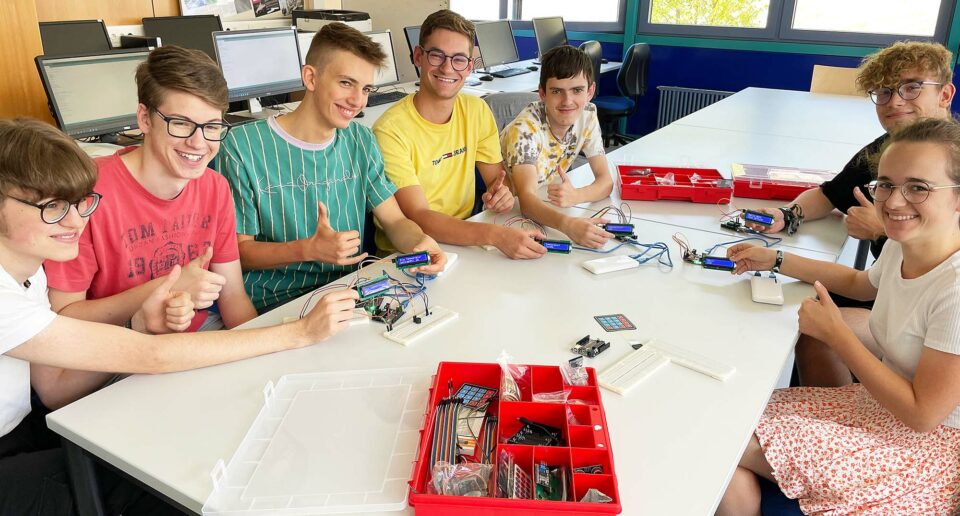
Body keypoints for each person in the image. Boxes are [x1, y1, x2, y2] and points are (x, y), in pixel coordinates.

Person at [0, 117, 358, 514]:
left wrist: (139, 325)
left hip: (24, 430)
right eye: (51, 207)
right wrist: (299, 333)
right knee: (155, 483)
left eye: (79, 203)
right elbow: (153, 357)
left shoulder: (29, 267)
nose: (75, 222)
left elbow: (55, 387)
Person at [718, 117, 960, 515]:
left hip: (920, 454)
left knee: (721, 434)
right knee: (725, 413)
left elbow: (922, 415)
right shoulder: (906, 243)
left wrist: (837, 335)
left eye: (918, 187)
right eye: (886, 185)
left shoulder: (954, 288)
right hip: (876, 412)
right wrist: (777, 259)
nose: (894, 202)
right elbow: (861, 283)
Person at [40, 46, 260, 410]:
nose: (199, 142)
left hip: (196, 345)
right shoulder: (88, 193)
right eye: (181, 123)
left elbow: (233, 297)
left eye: (212, 127)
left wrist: (265, 359)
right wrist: (162, 289)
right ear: (144, 118)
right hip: (119, 358)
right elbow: (64, 318)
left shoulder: (215, 187)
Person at [748, 41, 955, 387]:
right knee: (807, 317)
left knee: (812, 320)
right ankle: (835, 410)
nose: (895, 102)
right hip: (887, 294)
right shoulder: (888, 148)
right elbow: (830, 194)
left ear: (945, 94)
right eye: (884, 92)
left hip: (926, 320)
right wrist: (788, 216)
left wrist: (883, 228)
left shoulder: (952, 165)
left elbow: (924, 411)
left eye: (911, 88)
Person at [217, 23, 445, 313]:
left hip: (349, 293)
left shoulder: (361, 140)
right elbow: (238, 253)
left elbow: (395, 221)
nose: (358, 100)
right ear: (310, 78)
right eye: (346, 83)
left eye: (366, 88)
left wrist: (420, 242)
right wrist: (307, 249)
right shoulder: (242, 147)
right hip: (275, 304)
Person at [372, 10, 549, 259]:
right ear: (418, 56)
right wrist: (495, 235)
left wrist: (502, 195)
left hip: (466, 236)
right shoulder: (389, 131)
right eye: (437, 55)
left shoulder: (477, 110)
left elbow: (497, 180)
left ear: (469, 67)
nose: (447, 68)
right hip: (410, 252)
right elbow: (418, 216)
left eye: (459, 59)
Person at [501, 45, 615, 248]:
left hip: (546, 205)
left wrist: (577, 196)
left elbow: (606, 182)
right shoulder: (525, 129)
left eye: (577, 90)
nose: (567, 101)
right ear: (542, 93)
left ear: (590, 91)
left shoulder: (587, 114)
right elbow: (526, 200)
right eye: (556, 91)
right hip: (510, 216)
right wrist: (569, 225)